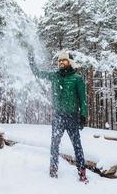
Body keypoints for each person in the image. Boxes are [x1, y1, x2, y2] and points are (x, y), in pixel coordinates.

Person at [28, 49, 88, 183]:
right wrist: (32, 62)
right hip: (58, 116)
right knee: (54, 144)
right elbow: (38, 73)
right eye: (59, 60)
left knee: (77, 145)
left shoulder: (77, 79)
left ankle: (82, 171)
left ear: (70, 62)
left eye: (64, 60)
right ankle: (53, 169)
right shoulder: (55, 76)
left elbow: (83, 99)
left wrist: (83, 115)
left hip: (72, 116)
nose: (61, 62)